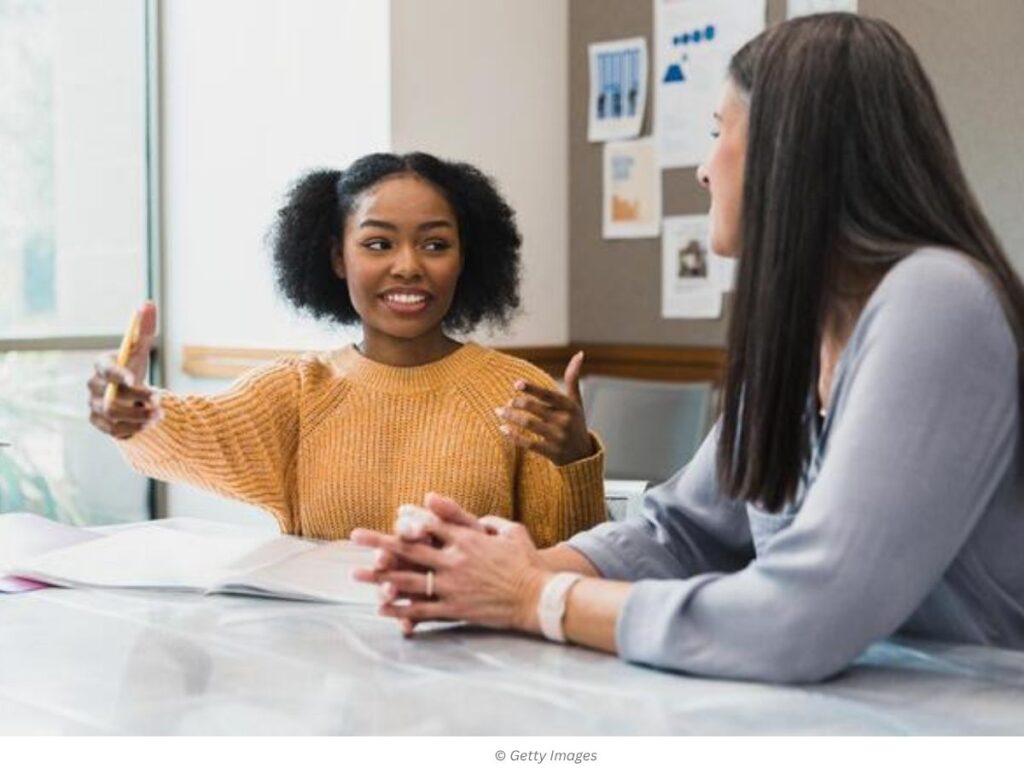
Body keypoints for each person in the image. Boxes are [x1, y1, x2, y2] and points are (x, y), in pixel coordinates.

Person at [353, 14, 1024, 684]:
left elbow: (804, 618)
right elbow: (682, 531)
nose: (703, 170)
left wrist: (535, 597)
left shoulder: (939, 299)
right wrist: (488, 568)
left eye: (717, 131)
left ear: (786, 153)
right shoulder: (799, 336)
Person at [86, 152, 607, 546]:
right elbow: (195, 431)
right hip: (320, 653)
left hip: (472, 650)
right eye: (378, 244)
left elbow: (573, 561)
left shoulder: (518, 394)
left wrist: (575, 460)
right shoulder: (298, 391)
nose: (408, 266)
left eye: (435, 244)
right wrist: (134, 413)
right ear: (338, 258)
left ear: (465, 258)